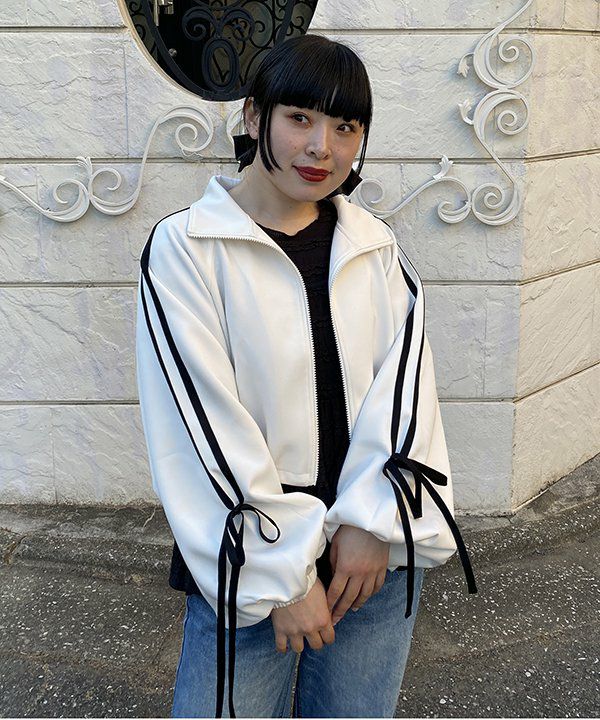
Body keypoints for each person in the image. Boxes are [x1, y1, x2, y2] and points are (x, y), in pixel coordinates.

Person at [135, 33, 476, 719]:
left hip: (368, 560)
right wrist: (282, 575)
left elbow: (407, 395)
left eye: (345, 127)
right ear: (253, 116)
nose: (322, 147)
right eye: (299, 118)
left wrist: (375, 523)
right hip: (254, 560)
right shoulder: (187, 249)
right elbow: (199, 423)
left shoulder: (375, 247)